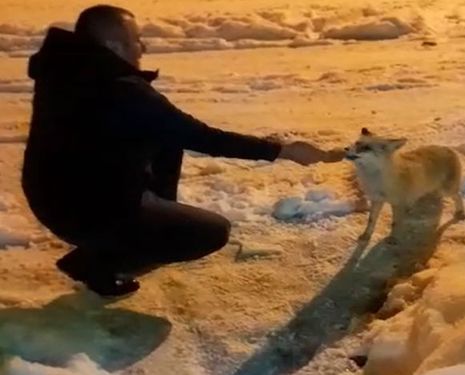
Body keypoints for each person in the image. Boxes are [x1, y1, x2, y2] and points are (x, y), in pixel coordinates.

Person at [22, 5, 343, 297]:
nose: (143, 47)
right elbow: (202, 137)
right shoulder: (122, 90)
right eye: (137, 40)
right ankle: (99, 260)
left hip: (55, 195)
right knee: (212, 231)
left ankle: (124, 235)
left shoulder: (68, 71)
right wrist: (284, 151)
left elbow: (167, 130)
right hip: (83, 211)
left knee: (165, 138)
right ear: (113, 47)